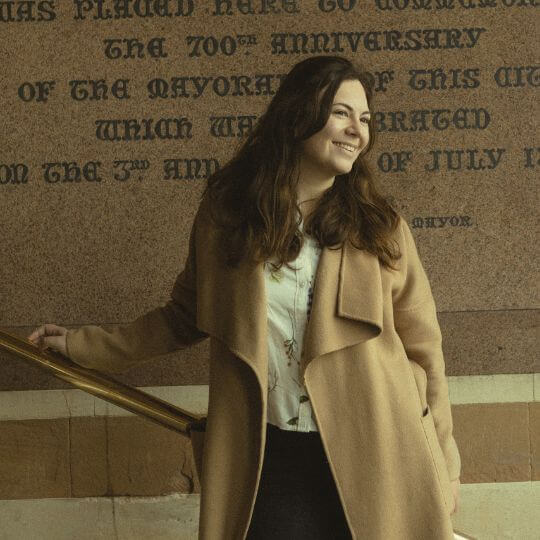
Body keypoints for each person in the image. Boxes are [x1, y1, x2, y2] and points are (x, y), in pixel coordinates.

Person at [28, 55, 461, 540]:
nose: (357, 131)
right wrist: (83, 347)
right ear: (299, 115)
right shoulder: (227, 220)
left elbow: (425, 353)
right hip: (270, 458)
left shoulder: (383, 230)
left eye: (365, 119)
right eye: (341, 113)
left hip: (381, 452)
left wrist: (444, 463)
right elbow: (182, 317)